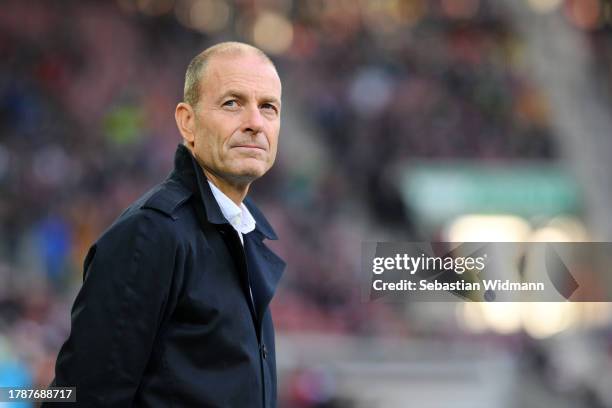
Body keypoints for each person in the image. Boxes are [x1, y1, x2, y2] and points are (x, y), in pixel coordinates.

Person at [45, 42, 286, 407]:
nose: (255, 122)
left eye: (268, 107)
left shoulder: (243, 234)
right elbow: (82, 397)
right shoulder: (151, 234)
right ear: (187, 122)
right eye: (232, 103)